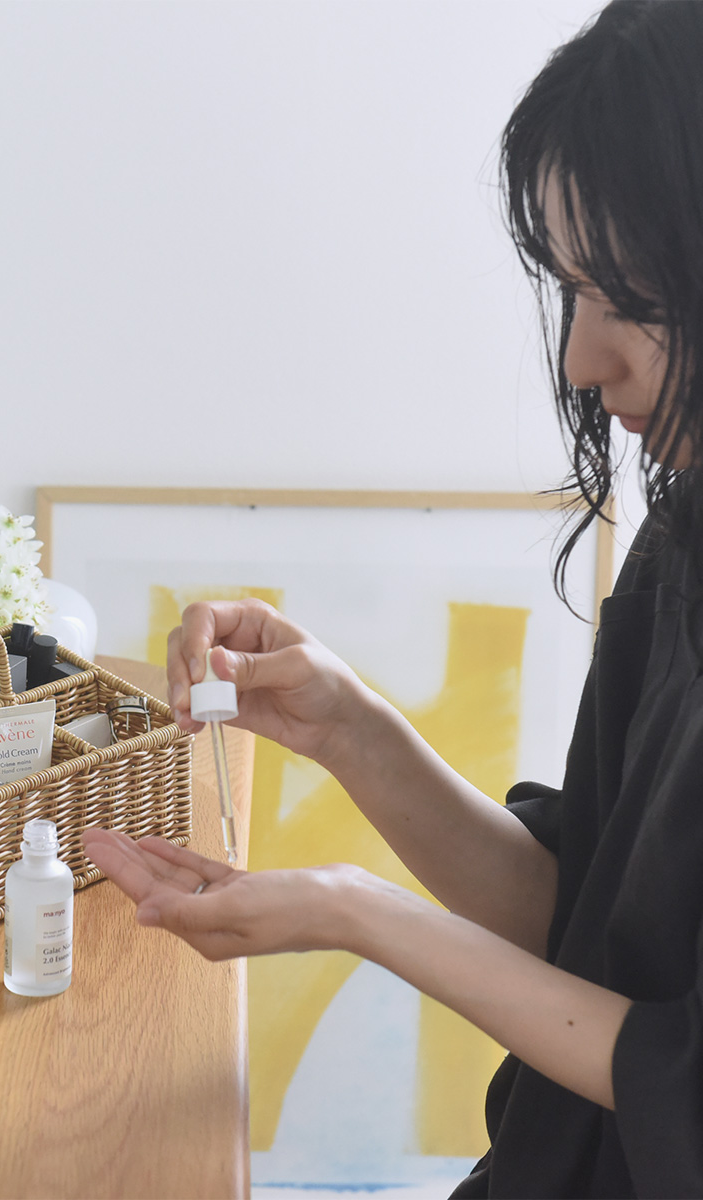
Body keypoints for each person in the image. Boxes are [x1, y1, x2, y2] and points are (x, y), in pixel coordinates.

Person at [82, 3, 703, 1195]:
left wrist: (360, 913)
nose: (581, 360)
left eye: (625, 294)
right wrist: (351, 730)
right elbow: (576, 928)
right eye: (571, 291)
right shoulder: (680, 550)